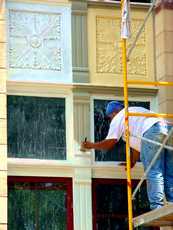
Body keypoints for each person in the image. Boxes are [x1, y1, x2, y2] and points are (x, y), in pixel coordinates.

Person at [81, 101, 173, 210]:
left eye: (110, 117)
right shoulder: (134, 113)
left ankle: (157, 207)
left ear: (113, 113)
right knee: (169, 171)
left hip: (152, 131)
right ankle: (172, 203)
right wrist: (132, 161)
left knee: (153, 170)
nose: (110, 120)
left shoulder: (120, 116)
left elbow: (110, 142)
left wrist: (91, 145)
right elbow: (137, 145)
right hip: (168, 128)